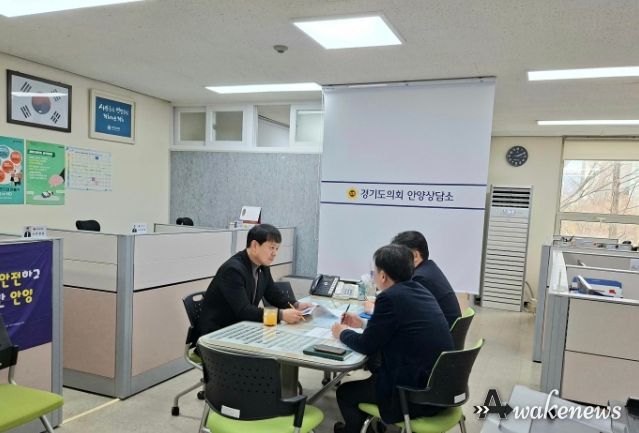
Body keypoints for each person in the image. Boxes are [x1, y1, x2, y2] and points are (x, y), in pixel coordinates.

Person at [331, 244, 454, 433]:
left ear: (382, 276)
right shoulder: (420, 290)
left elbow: (366, 345)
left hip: (412, 394)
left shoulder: (389, 298)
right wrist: (361, 324)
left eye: (374, 271)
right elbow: (398, 329)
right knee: (375, 367)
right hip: (440, 388)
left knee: (345, 393)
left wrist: (341, 332)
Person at [197, 224, 311, 336]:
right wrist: (280, 315)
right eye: (271, 248)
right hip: (217, 334)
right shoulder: (232, 270)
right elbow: (244, 311)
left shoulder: (262, 267)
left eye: (277, 249)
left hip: (240, 329)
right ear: (255, 245)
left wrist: (296, 305)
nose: (275, 253)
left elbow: (273, 295)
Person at [391, 230, 461, 327]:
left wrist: (375, 308)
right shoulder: (429, 268)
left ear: (415, 255)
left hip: (439, 333)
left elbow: (405, 314)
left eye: (398, 255)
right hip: (445, 329)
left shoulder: (419, 278)